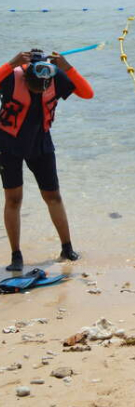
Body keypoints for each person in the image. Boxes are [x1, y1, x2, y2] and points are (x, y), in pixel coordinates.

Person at [1, 49, 94, 271]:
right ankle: (16, 255)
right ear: (26, 77)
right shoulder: (12, 76)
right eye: (35, 86)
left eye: (45, 85)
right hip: (8, 144)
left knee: (53, 195)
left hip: (40, 143)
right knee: (13, 199)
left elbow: (87, 93)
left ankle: (67, 247)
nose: (40, 89)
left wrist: (67, 67)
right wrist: (11, 62)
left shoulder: (55, 76)